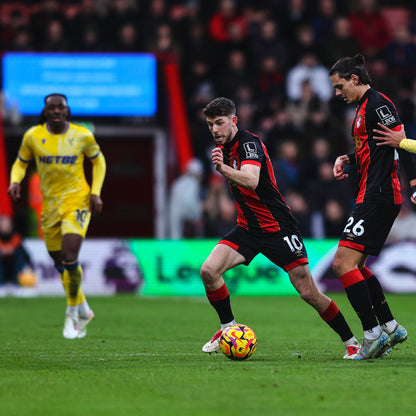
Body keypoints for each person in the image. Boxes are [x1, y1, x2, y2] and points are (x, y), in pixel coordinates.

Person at [200, 97, 360, 359]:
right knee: (208, 271)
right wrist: (223, 167)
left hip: (278, 228)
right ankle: (227, 328)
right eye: (210, 125)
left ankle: (351, 341)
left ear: (234, 121)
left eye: (220, 123)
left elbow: (251, 181)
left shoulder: (248, 144)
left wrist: (223, 169)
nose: (215, 129)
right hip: (247, 228)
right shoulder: (222, 147)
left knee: (309, 292)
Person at [329, 54, 416, 359]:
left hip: (377, 195)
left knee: (342, 264)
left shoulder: (378, 104)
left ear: (354, 79)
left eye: (340, 86)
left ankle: (372, 334)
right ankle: (391, 328)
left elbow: (400, 141)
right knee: (357, 267)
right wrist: (348, 159)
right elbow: (375, 146)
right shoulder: (363, 109)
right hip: (372, 192)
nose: (337, 93)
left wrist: (415, 182)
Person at [8, 93, 106, 339]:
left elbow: (99, 162)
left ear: (67, 110)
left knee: (69, 255)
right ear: (45, 111)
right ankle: (83, 307)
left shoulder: (82, 135)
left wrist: (95, 192)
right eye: (51, 107)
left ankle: (72, 315)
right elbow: (20, 162)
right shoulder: (33, 136)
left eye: (60, 107)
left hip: (77, 202)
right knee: (60, 264)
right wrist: (15, 180)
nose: (56, 111)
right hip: (49, 207)